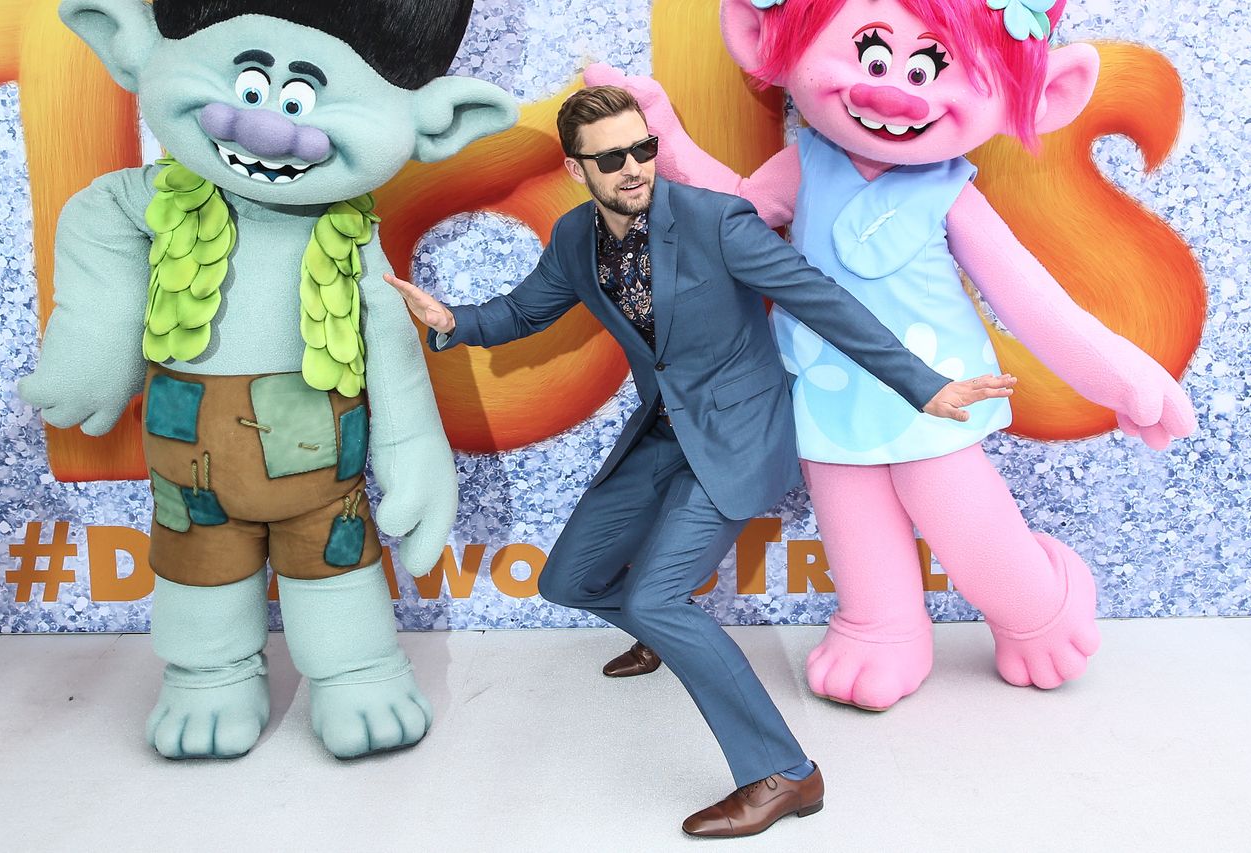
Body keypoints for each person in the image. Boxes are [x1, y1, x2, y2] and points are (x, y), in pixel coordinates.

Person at [385, 85, 1014, 837]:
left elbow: (821, 301)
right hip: (664, 431)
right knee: (567, 579)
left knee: (656, 596)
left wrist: (926, 385)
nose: (633, 168)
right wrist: (454, 321)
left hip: (739, 432)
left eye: (642, 149)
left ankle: (782, 771)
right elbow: (523, 312)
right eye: (611, 157)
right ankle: (663, 631)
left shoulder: (718, 222)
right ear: (577, 165)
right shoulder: (574, 239)